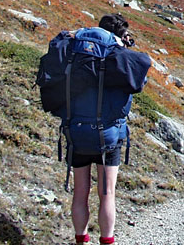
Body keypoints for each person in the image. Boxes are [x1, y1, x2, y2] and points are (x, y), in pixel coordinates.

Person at [69, 14, 146, 245]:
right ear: (120, 36)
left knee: (80, 192)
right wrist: (125, 48)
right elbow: (139, 83)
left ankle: (81, 240)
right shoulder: (120, 58)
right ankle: (107, 241)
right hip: (108, 135)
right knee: (107, 194)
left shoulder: (79, 53)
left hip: (77, 131)